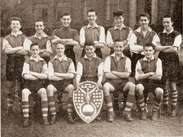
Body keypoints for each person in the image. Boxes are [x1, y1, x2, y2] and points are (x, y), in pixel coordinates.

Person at [155, 15, 182, 117]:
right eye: (164, 22)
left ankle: (173, 108)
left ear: (172, 23)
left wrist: (162, 48)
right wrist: (165, 47)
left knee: (172, 84)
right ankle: (165, 106)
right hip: (162, 60)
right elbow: (156, 47)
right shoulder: (159, 34)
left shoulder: (177, 34)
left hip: (172, 60)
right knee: (163, 84)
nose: (166, 24)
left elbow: (174, 49)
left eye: (168, 22)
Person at [103, 41, 136, 122]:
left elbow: (127, 75)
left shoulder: (127, 59)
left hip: (123, 84)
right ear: (114, 47)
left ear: (123, 47)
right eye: (116, 46)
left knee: (132, 86)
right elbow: (107, 75)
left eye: (120, 47)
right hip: (112, 83)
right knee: (105, 86)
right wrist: (121, 74)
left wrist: (113, 72)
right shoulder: (108, 58)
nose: (118, 48)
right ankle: (111, 112)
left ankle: (127, 112)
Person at [2, 17, 29, 114]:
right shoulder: (6, 38)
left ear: (20, 26)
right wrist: (19, 48)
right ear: (10, 26)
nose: (15, 26)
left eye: (17, 24)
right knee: (10, 85)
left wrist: (12, 49)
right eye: (13, 24)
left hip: (21, 62)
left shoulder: (24, 38)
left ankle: (23, 107)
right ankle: (9, 108)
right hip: (10, 62)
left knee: (22, 83)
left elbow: (25, 51)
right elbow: (6, 51)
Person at [47, 42, 75, 124]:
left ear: (64, 49)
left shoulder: (69, 60)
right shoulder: (51, 61)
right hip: (55, 84)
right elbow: (50, 76)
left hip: (65, 84)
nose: (60, 50)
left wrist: (57, 74)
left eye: (62, 48)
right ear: (55, 49)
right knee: (49, 88)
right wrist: (65, 75)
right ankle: (53, 114)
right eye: (58, 48)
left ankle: (70, 113)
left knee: (71, 88)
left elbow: (71, 75)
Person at [21, 43, 49, 127]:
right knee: (24, 92)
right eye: (33, 50)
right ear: (30, 51)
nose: (35, 51)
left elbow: (46, 76)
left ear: (39, 51)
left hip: (39, 84)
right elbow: (26, 76)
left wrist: (32, 73)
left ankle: (45, 118)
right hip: (28, 85)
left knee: (44, 91)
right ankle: (26, 118)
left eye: (37, 50)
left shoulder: (43, 61)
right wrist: (39, 76)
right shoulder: (27, 61)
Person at [75, 42, 103, 120]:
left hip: (95, 80)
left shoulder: (99, 60)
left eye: (91, 49)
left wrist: (99, 81)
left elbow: (100, 73)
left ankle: (97, 112)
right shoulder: (81, 61)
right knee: (80, 91)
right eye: (87, 49)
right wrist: (77, 82)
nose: (89, 51)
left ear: (94, 49)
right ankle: (79, 112)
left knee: (99, 89)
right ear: (84, 49)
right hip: (84, 80)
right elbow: (79, 73)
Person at [135, 43, 163, 121]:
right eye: (146, 50)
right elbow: (137, 77)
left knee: (160, 91)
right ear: (143, 51)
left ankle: (155, 111)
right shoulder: (140, 61)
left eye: (150, 50)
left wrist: (144, 74)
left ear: (153, 51)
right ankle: (143, 110)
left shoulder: (158, 60)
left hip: (155, 83)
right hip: (143, 83)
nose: (148, 52)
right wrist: (150, 73)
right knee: (139, 87)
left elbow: (158, 77)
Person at [129, 13, 160, 77]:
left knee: (149, 75)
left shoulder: (153, 34)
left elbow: (155, 47)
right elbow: (132, 47)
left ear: (149, 21)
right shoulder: (135, 33)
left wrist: (140, 48)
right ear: (139, 21)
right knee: (136, 76)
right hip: (137, 57)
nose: (143, 22)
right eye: (141, 20)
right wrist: (147, 48)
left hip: (150, 58)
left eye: (145, 20)